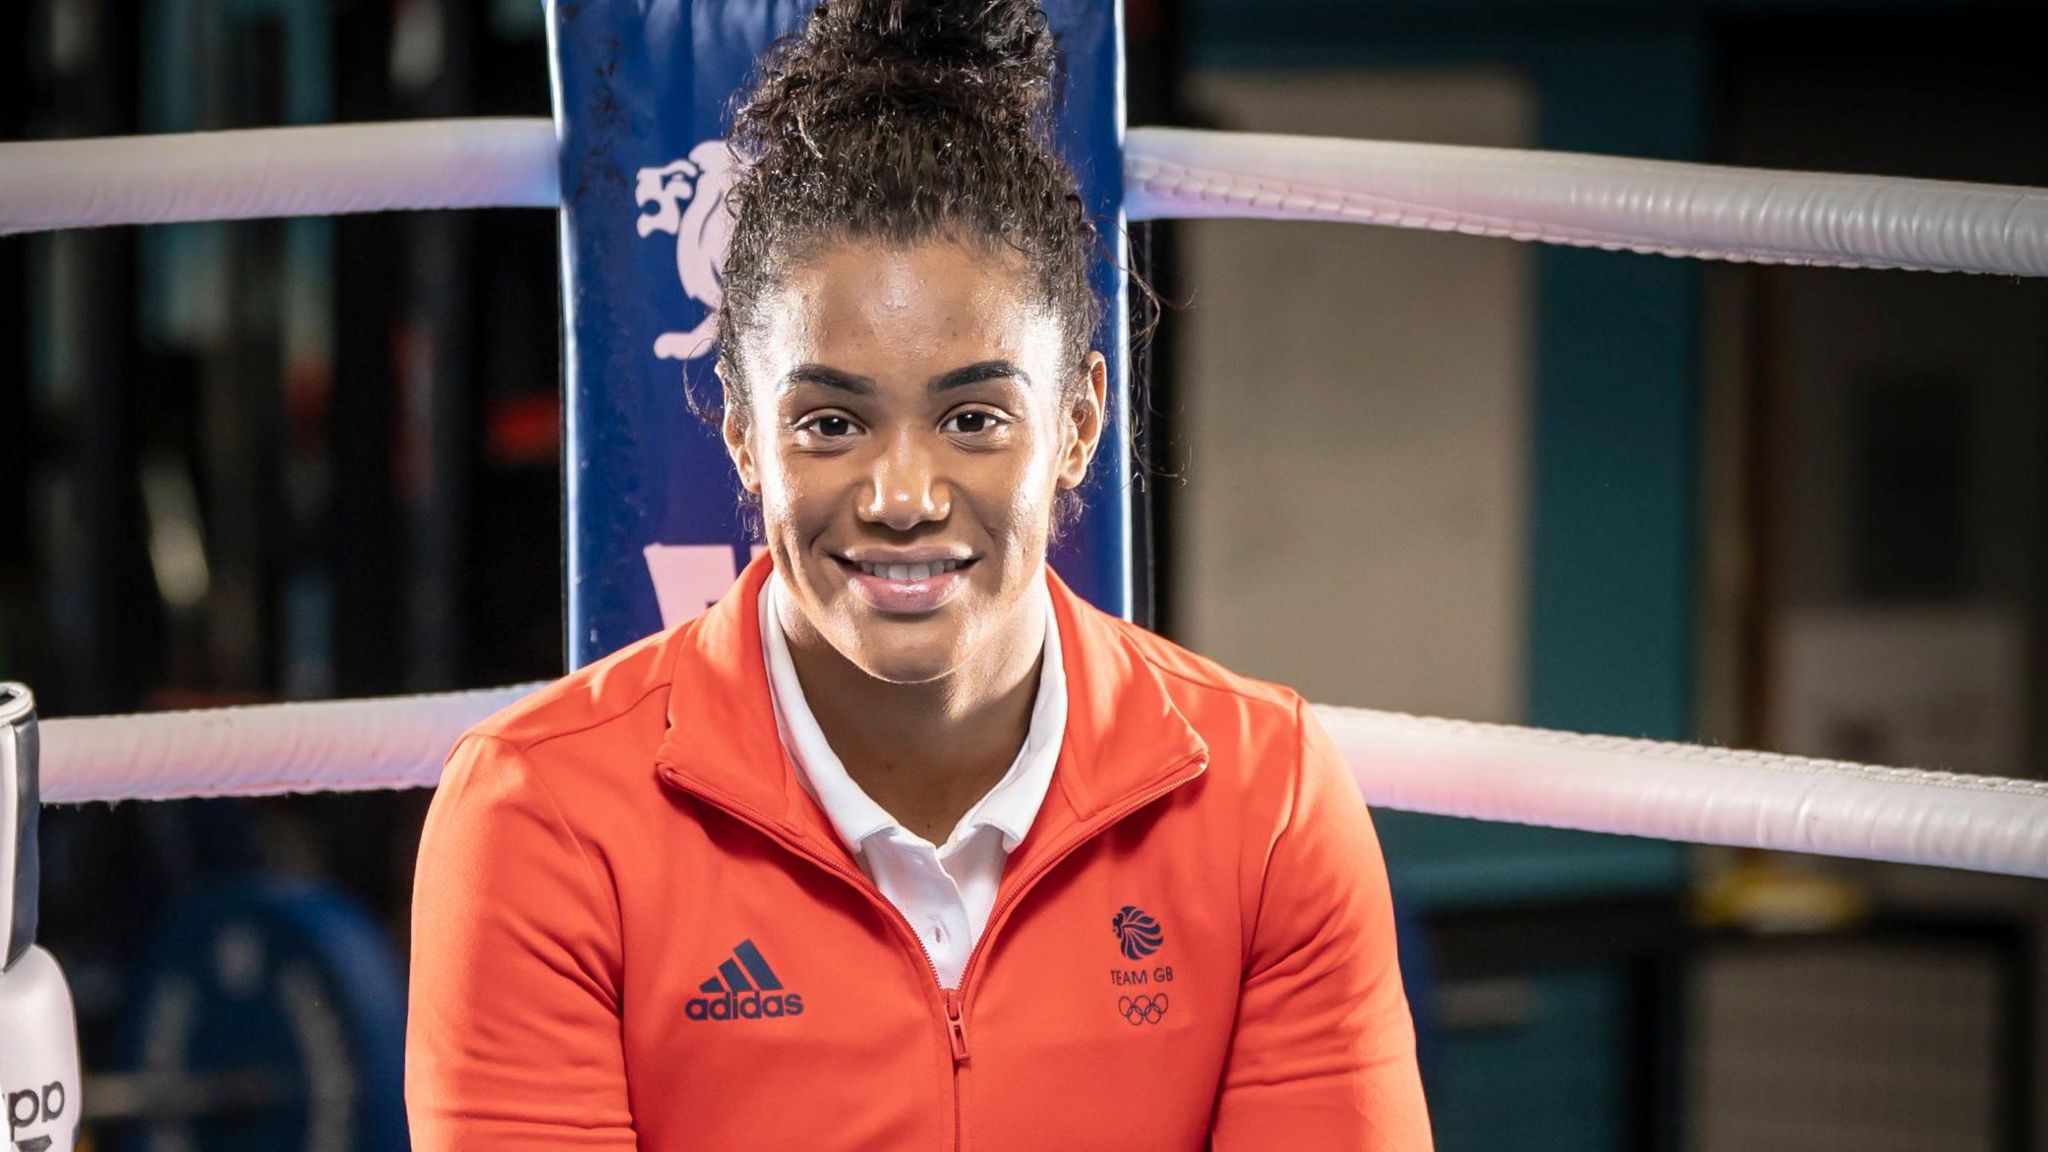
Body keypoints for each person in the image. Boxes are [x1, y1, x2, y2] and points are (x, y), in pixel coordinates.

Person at [403, 0, 1433, 1147]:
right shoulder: (542, 816)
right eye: (833, 423)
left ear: (1081, 422)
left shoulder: (1265, 800)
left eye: (974, 418)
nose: (901, 497)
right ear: (742, 433)